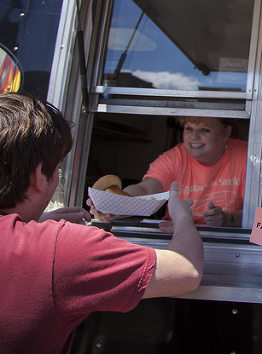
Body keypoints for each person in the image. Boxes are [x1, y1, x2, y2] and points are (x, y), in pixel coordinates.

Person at [0, 92, 204, 354]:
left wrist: (33, 222)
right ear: (40, 177)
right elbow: (186, 272)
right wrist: (183, 217)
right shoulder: (59, 247)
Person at [88, 116, 247, 227]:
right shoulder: (174, 158)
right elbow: (146, 188)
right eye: (189, 128)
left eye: (204, 130)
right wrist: (115, 204)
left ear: (225, 133)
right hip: (178, 236)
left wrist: (229, 220)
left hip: (230, 243)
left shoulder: (246, 155)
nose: (194, 137)